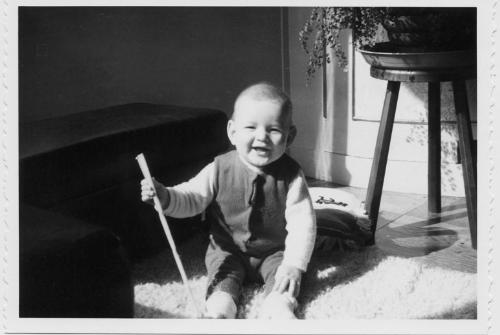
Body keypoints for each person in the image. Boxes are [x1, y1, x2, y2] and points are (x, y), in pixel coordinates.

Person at [141, 82, 316, 319]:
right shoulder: (218, 168)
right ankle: (221, 309)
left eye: (274, 129)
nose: (261, 137)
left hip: (274, 251)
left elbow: (303, 225)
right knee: (222, 278)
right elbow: (192, 198)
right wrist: (165, 197)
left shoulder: (292, 175)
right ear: (232, 132)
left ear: (290, 136)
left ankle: (279, 307)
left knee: (285, 280)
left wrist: (294, 264)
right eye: (251, 127)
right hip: (227, 250)